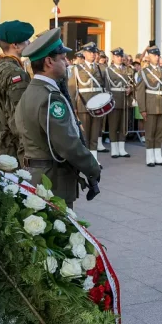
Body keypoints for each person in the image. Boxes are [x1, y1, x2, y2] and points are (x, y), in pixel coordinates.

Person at [15, 28, 100, 208]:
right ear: (49, 61)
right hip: (52, 180)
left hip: (36, 175)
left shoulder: (31, 91)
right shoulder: (50, 97)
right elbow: (67, 144)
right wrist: (92, 166)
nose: (68, 63)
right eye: (62, 58)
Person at [0, 20, 35, 164]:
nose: (29, 43)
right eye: (26, 41)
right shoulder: (17, 74)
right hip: (11, 149)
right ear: (15, 46)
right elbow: (21, 119)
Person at [70, 42, 108, 161]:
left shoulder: (101, 68)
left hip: (98, 105)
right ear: (84, 53)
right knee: (85, 134)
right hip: (83, 104)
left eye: (94, 52)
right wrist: (73, 107)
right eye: (90, 52)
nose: (93, 54)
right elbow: (72, 89)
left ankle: (94, 159)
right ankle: (85, 160)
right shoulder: (77, 68)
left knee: (95, 134)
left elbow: (105, 87)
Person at [138, 45, 162, 167]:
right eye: (154, 55)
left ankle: (158, 156)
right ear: (149, 56)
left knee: (159, 132)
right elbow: (140, 91)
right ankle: (150, 157)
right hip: (150, 105)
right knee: (150, 133)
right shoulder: (144, 72)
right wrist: (142, 109)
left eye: (158, 55)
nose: (157, 57)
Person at [105, 47, 133, 158]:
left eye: (121, 56)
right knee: (113, 125)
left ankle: (122, 148)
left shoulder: (128, 70)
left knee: (123, 125)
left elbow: (132, 83)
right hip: (114, 99)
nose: (120, 58)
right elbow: (107, 87)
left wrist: (130, 89)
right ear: (113, 57)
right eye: (117, 56)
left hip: (125, 100)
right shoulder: (108, 70)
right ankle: (114, 148)